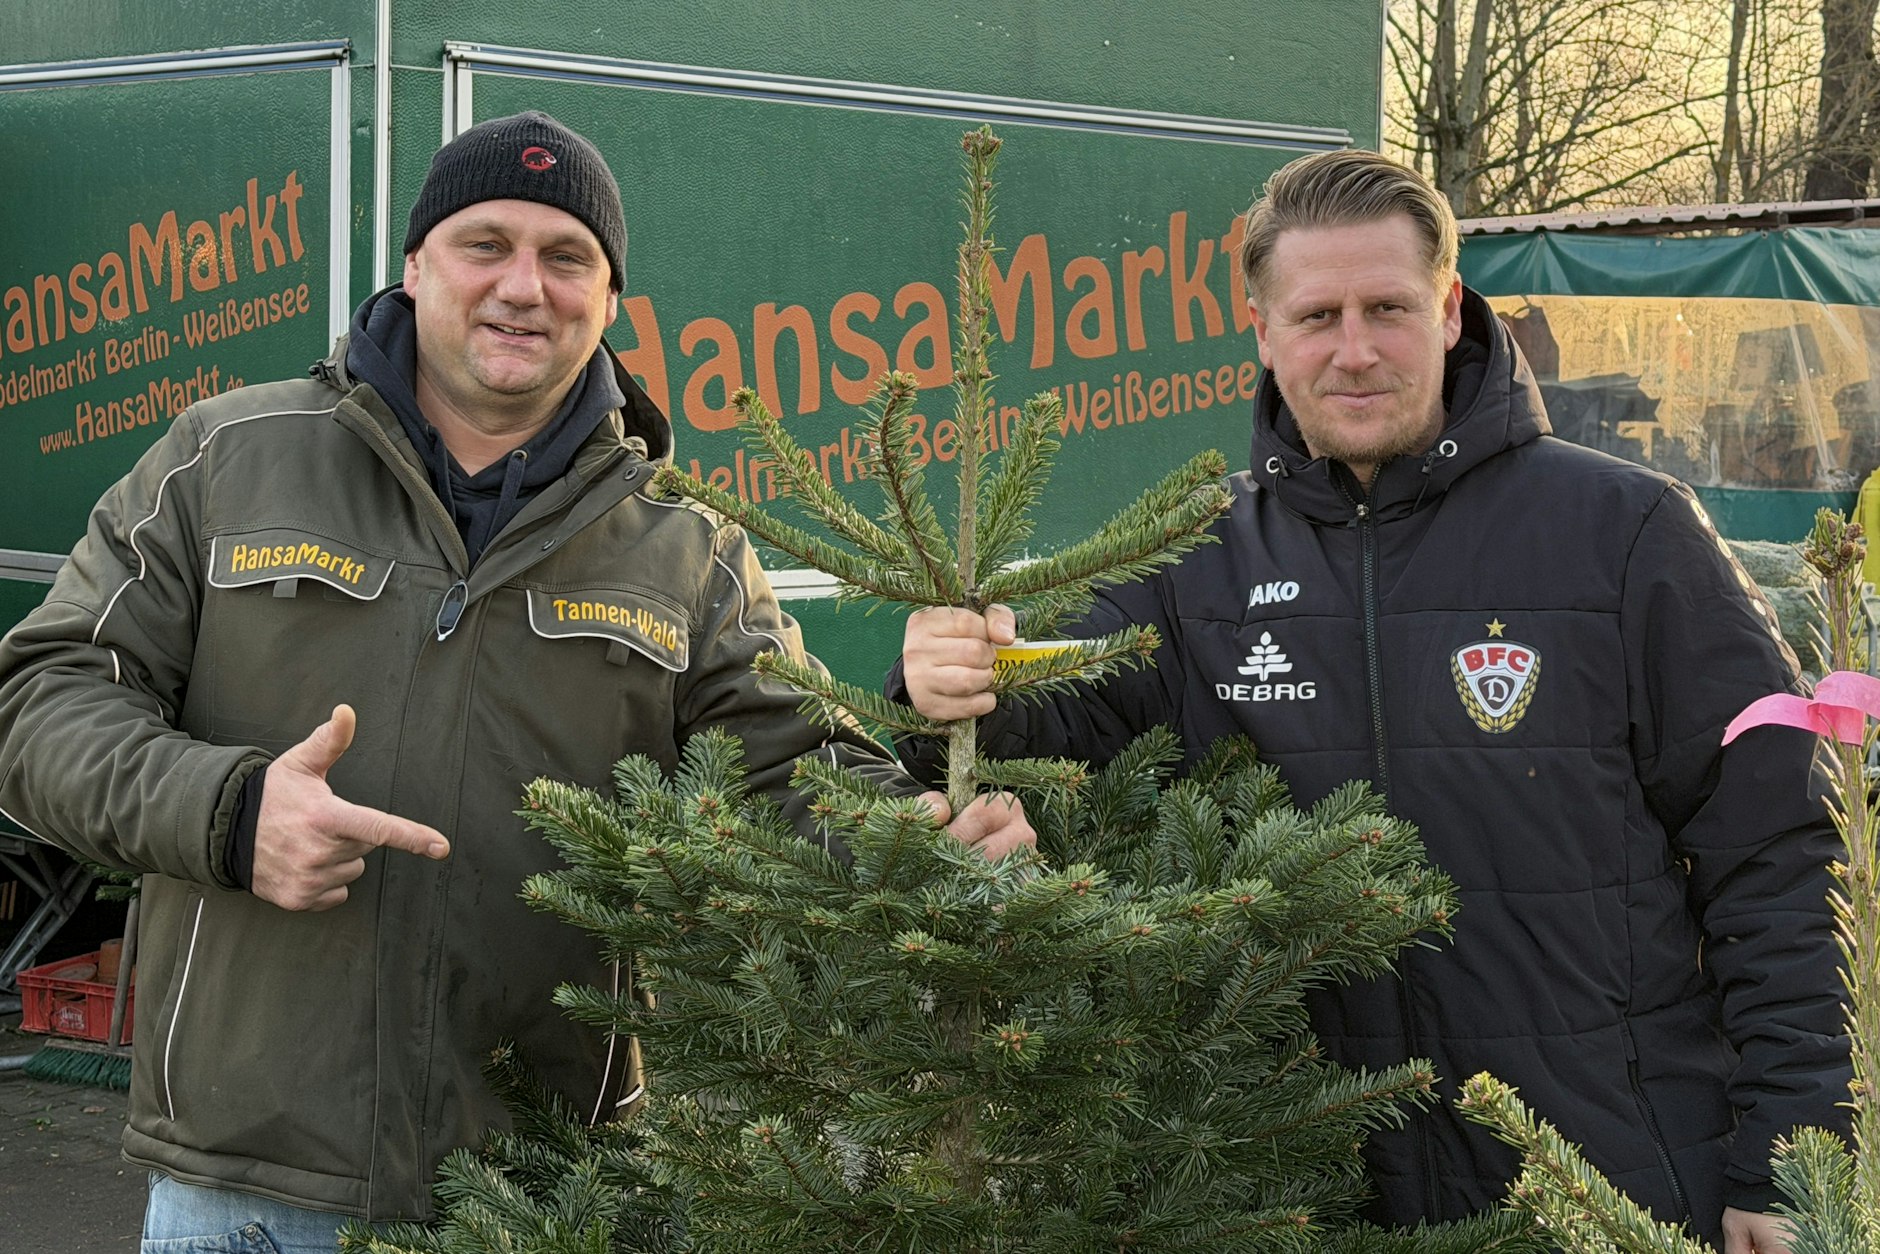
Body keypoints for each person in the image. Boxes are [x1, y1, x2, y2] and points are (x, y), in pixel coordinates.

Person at [0, 111, 1031, 1250]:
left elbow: (789, 775)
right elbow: (42, 701)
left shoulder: (684, 548)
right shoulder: (226, 460)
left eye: (565, 256)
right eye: (483, 244)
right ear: (413, 263)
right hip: (249, 1180)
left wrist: (918, 838)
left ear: (610, 296)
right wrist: (230, 813)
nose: (522, 287)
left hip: (549, 1182)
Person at [889, 148, 1846, 1252]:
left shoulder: (1626, 533)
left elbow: (1778, 855)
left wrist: (1787, 1161)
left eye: (1386, 307)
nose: (1353, 351)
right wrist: (945, 681)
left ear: (1446, 309)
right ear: (1259, 331)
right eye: (1315, 316)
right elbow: (1032, 724)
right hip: (1316, 1192)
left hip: (1608, 1180)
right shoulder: (1195, 561)